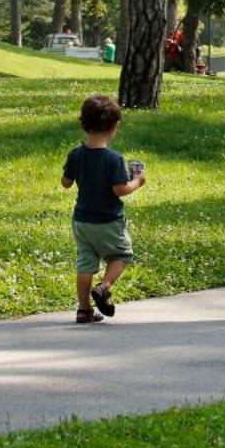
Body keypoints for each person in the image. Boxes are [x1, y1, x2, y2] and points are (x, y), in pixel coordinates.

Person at [60, 93, 145, 324]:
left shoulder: (76, 154)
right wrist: (137, 181)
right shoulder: (113, 159)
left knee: (85, 262)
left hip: (82, 220)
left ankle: (84, 309)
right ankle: (104, 287)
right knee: (121, 255)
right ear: (115, 127)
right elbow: (120, 190)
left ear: (82, 124)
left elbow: (66, 183)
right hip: (108, 220)